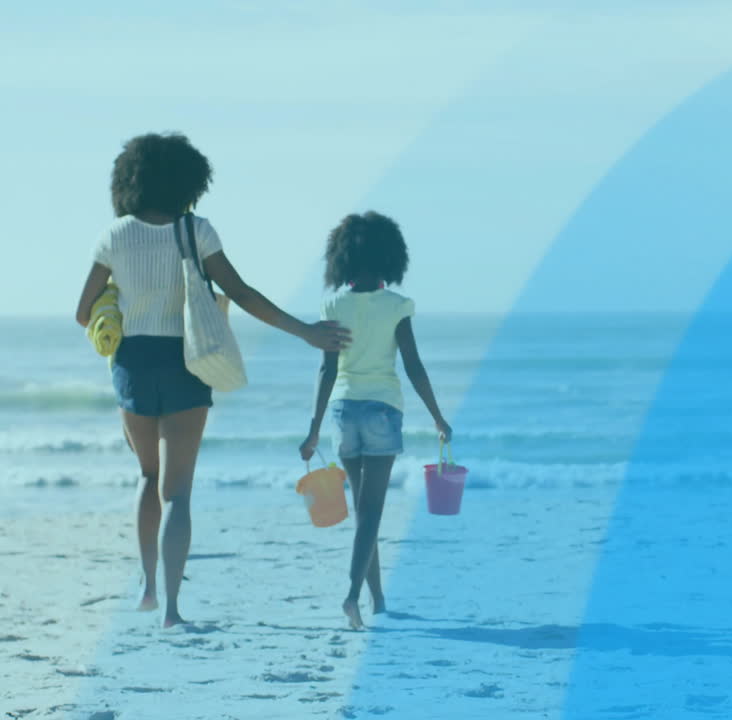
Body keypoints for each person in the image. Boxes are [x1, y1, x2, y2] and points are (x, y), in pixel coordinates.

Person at [75, 132, 351, 628]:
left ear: (130, 179)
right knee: (178, 493)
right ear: (188, 180)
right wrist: (306, 332)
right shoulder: (196, 231)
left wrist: (119, 301)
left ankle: (147, 588)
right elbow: (241, 294)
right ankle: (172, 611)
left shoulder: (113, 236)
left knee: (148, 477)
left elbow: (82, 313)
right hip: (187, 360)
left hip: (133, 363)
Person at [299, 211, 453, 631]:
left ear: (342, 257)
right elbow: (413, 365)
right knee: (371, 512)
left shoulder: (334, 305)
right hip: (382, 410)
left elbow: (327, 371)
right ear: (390, 256)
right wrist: (438, 417)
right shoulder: (397, 306)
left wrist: (314, 429)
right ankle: (353, 596)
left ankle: (378, 598)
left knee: (363, 512)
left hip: (344, 412)